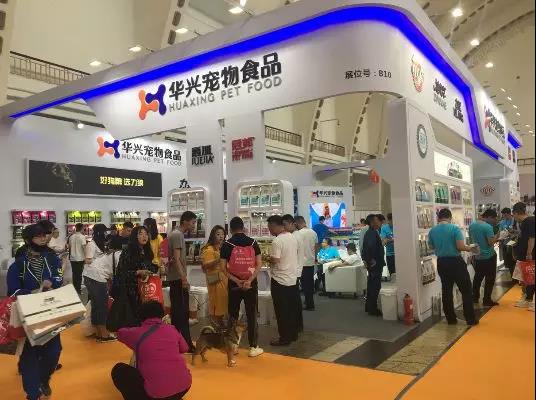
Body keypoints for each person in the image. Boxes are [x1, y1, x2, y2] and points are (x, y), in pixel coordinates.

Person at [7, 224, 63, 400]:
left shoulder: (52, 257)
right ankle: (33, 393)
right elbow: (13, 291)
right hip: (28, 314)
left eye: (44, 235)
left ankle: (43, 380)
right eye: (38, 236)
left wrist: (52, 282)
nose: (43, 238)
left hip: (50, 311)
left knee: (54, 351)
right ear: (28, 239)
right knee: (30, 354)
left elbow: (59, 276)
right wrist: (32, 292)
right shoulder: (18, 264)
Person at [112, 301, 192, 400]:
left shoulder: (136, 332)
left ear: (141, 316)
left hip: (156, 394)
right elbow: (184, 348)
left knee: (119, 370)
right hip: (184, 387)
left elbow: (119, 333)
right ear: (161, 314)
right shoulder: (172, 329)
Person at [220, 217, 264, 357]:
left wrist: (237, 281)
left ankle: (232, 346)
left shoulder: (227, 244)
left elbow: (222, 268)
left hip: (234, 284)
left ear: (230, 229)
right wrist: (249, 280)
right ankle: (253, 347)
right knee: (252, 314)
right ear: (243, 227)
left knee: (233, 314)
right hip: (251, 284)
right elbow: (259, 264)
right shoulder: (253, 242)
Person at [428, 208, 478, 325]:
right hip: (455, 262)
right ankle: (470, 319)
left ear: (439, 218)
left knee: (446, 290)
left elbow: (431, 247)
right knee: (466, 290)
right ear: (450, 217)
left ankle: (450, 319)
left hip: (441, 262)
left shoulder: (432, 231)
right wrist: (471, 248)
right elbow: (460, 246)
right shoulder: (454, 228)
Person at [116, 226, 159, 324]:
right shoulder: (128, 251)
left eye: (146, 234)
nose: (144, 236)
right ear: (135, 236)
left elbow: (149, 267)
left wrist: (157, 268)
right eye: (141, 234)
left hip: (145, 290)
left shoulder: (146, 251)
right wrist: (138, 272)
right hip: (131, 292)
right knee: (133, 319)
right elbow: (121, 272)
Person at [267, 215, 299, 346]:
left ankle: (284, 338)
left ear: (274, 226)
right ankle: (293, 335)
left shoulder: (277, 241)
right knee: (291, 310)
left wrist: (267, 258)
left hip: (279, 280)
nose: (269, 230)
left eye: (269, 227)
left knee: (281, 311)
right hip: (292, 278)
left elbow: (275, 259)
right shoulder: (292, 237)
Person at [167, 211, 196, 352]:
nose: (194, 225)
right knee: (182, 313)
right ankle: (186, 344)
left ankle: (177, 343)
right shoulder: (177, 235)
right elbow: (177, 259)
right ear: (185, 221)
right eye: (193, 222)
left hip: (175, 278)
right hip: (177, 278)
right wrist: (183, 278)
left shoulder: (175, 234)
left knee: (178, 313)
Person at [82, 224, 117, 343]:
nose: (106, 234)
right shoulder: (91, 245)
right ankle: (103, 334)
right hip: (95, 276)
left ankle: (98, 332)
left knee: (97, 305)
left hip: (97, 276)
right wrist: (101, 259)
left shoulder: (100, 244)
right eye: (104, 232)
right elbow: (87, 260)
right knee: (101, 305)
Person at [200, 225, 229, 328]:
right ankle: (216, 325)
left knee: (223, 301)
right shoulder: (209, 249)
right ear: (213, 235)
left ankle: (221, 325)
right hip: (215, 279)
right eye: (218, 234)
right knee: (217, 302)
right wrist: (219, 259)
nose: (221, 236)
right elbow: (205, 265)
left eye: (222, 234)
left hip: (224, 278)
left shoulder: (223, 248)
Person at [469, 209, 500, 307]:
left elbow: (471, 241)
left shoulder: (472, 225)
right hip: (489, 256)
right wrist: (498, 236)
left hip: (478, 256)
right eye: (494, 218)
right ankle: (486, 300)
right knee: (490, 278)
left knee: (477, 277)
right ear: (489, 217)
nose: (495, 221)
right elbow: (490, 242)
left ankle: (474, 298)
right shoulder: (487, 227)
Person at [282, 214, 305, 332]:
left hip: (294, 272)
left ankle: (296, 325)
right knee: (295, 300)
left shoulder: (295, 236)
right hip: (294, 271)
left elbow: (296, 256)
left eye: (285, 224)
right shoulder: (294, 235)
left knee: (294, 301)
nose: (284, 227)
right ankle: (297, 325)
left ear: (293, 224)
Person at [512, 202, 535, 311]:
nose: (514, 217)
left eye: (514, 215)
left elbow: (532, 238)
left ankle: (531, 300)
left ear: (516, 213)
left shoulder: (529, 221)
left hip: (530, 255)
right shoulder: (526, 222)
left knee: (531, 277)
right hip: (526, 254)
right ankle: (528, 299)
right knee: (528, 278)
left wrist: (529, 253)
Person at [361, 215, 385, 316]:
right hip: (375, 264)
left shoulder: (371, 232)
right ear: (372, 222)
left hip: (373, 263)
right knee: (375, 286)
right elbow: (370, 247)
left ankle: (369, 306)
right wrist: (371, 260)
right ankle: (372, 309)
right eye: (377, 221)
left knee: (371, 285)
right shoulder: (372, 233)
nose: (379, 223)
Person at [295, 216, 318, 311]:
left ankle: (308, 304)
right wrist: (314, 258)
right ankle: (309, 303)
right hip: (310, 262)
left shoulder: (297, 234)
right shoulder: (313, 232)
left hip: (300, 263)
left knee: (302, 285)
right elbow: (316, 247)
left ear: (297, 223)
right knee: (309, 284)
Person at [68, 222, 87, 294]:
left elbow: (69, 247)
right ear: (82, 228)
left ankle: (75, 289)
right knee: (79, 274)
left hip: (72, 258)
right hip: (80, 258)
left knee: (74, 274)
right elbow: (84, 247)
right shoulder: (82, 237)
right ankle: (78, 290)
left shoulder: (71, 237)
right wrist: (86, 257)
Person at [499, 208, 517, 279]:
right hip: (505, 243)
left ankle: (516, 277)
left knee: (514, 260)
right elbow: (500, 231)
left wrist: (511, 233)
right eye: (503, 215)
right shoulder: (502, 222)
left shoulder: (515, 220)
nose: (504, 216)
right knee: (508, 261)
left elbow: (517, 232)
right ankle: (512, 276)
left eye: (505, 215)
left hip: (514, 243)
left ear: (509, 213)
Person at [380, 213, 396, 277]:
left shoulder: (398, 226)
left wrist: (389, 239)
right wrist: (393, 239)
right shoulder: (384, 228)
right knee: (393, 274)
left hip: (400, 254)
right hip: (390, 254)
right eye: (389, 221)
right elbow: (384, 241)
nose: (390, 223)